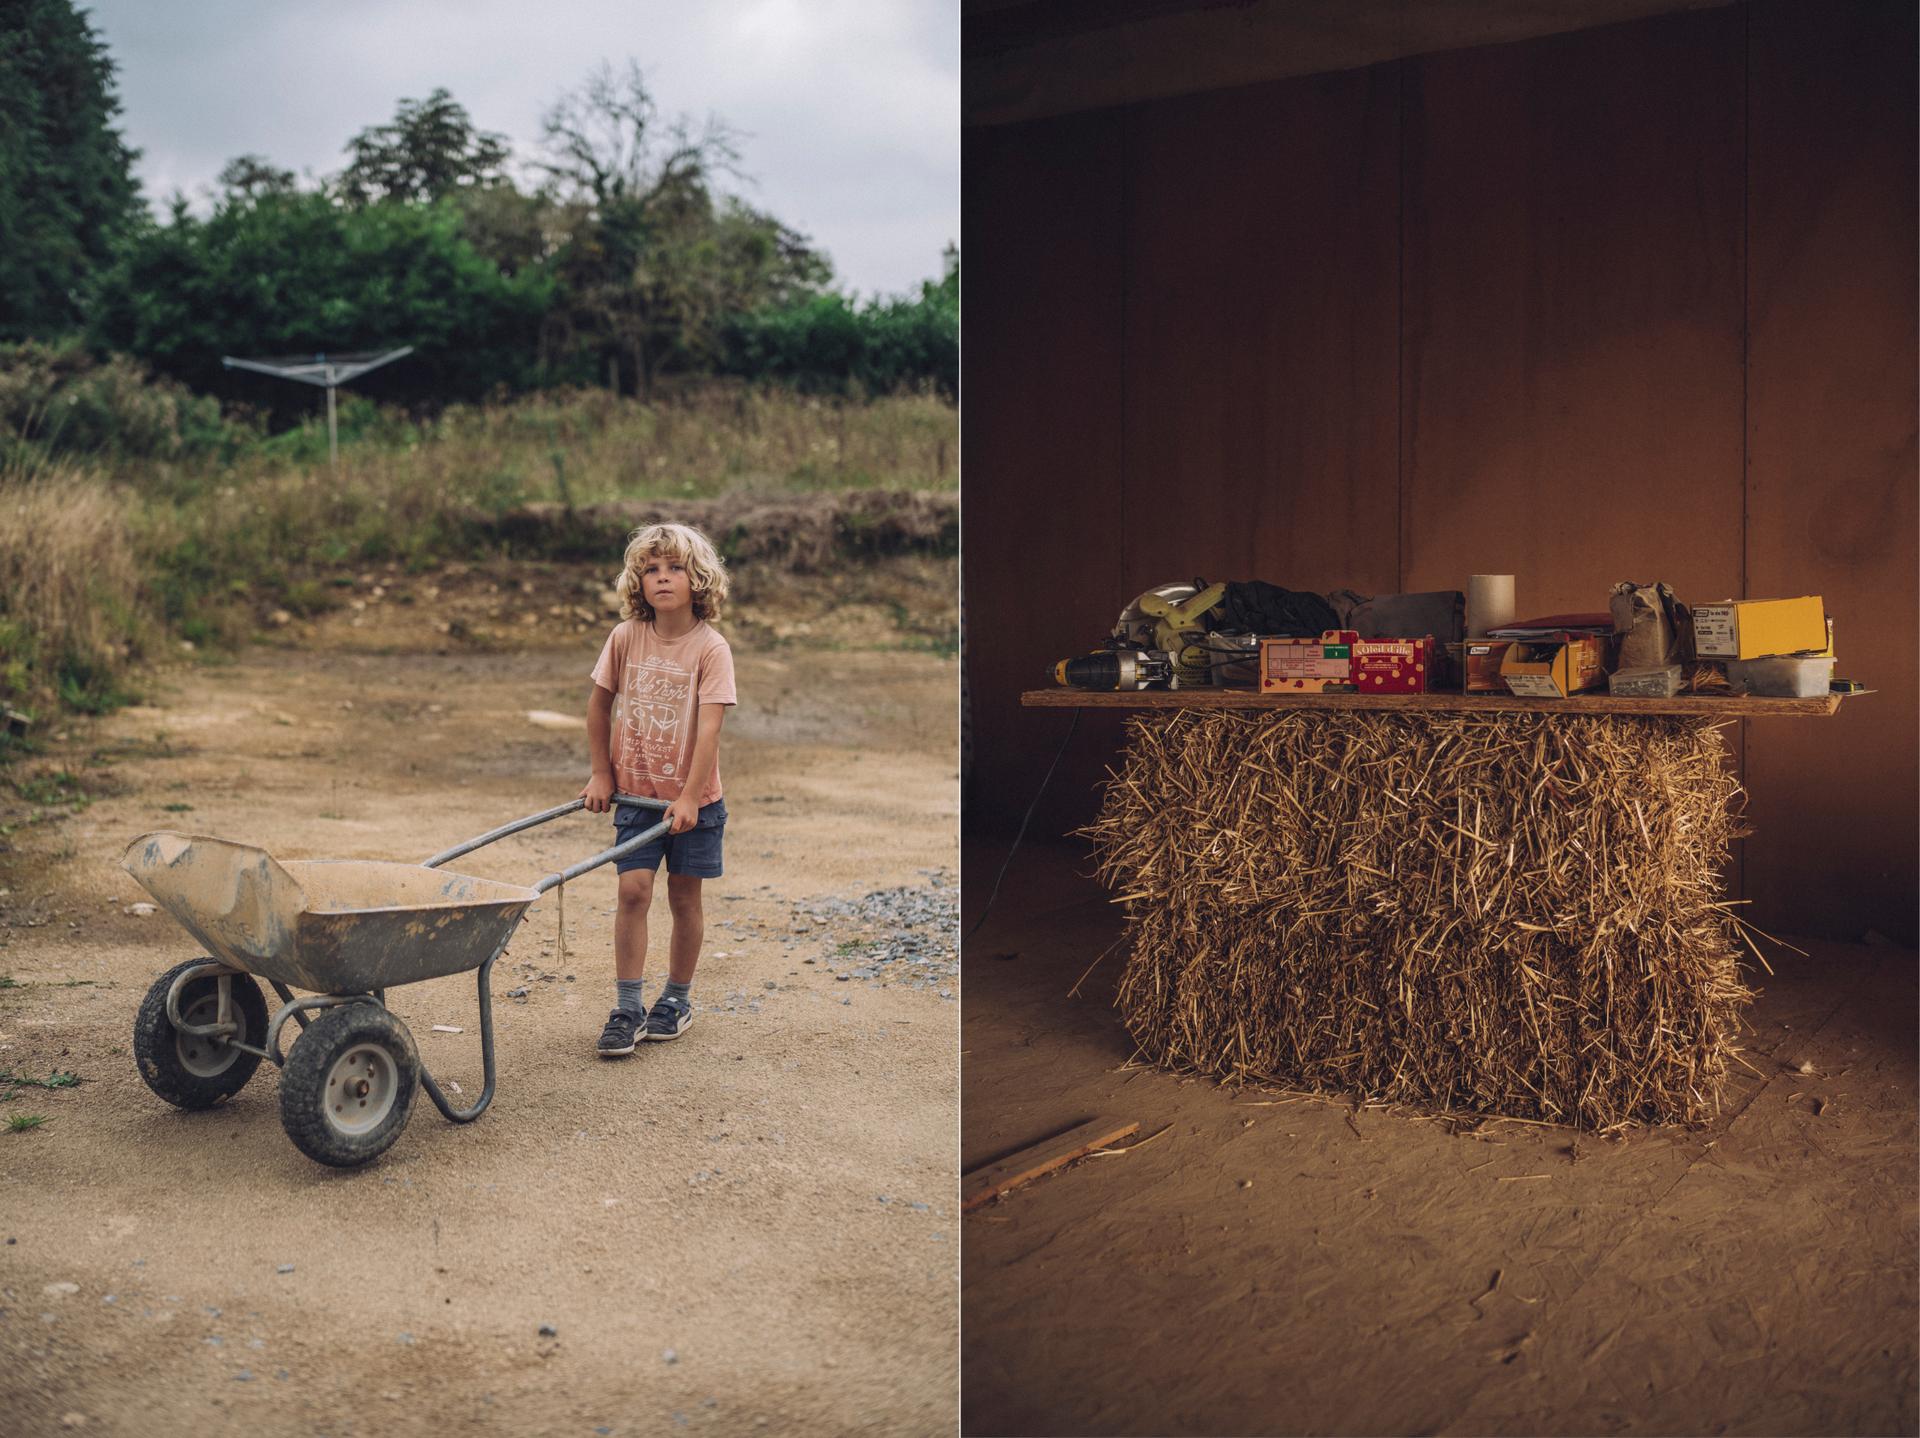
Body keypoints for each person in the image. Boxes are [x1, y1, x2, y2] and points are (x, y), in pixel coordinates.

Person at [579, 522, 736, 1056]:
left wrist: (689, 796)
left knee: (684, 897)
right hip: (637, 798)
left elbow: (710, 729)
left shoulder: (711, 649)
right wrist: (602, 772)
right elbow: (599, 707)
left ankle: (676, 999)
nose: (662, 578)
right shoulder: (625, 637)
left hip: (695, 803)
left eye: (675, 568)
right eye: (651, 569)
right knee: (632, 892)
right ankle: (627, 1007)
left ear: (698, 579)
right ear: (638, 582)